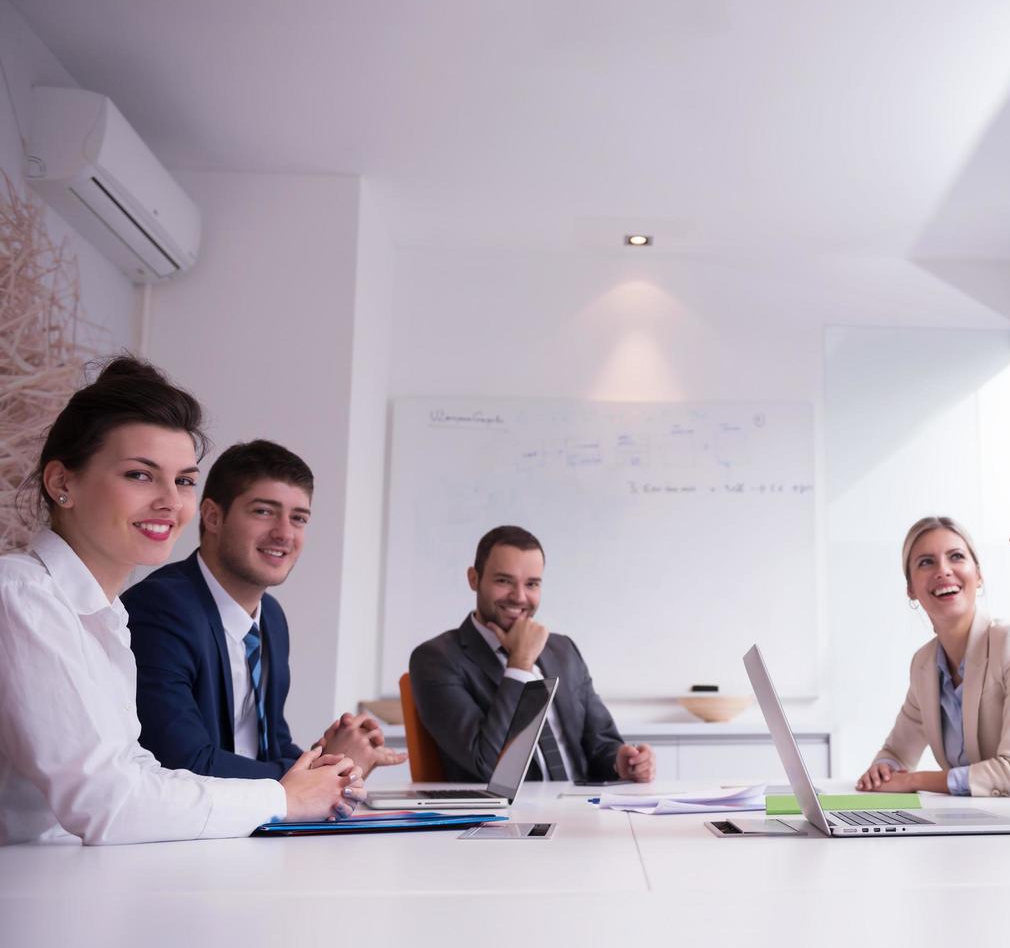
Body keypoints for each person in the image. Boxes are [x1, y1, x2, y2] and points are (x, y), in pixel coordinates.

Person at [0, 357, 361, 845]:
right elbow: (105, 801)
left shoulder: (107, 616)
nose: (171, 501)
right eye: (140, 475)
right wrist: (284, 797)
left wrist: (317, 779)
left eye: (185, 480)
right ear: (63, 483)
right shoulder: (23, 597)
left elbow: (140, 771)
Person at [124, 440, 406, 781]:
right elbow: (185, 764)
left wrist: (332, 762)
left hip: (245, 826)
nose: (284, 533)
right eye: (264, 511)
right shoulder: (161, 609)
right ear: (213, 516)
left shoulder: (270, 617)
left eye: (298, 518)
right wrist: (324, 768)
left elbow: (270, 747)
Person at [856, 516, 1010, 810]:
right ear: (910, 589)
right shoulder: (924, 664)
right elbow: (896, 751)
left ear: (978, 575)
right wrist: (884, 767)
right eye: (926, 562)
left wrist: (912, 780)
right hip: (985, 828)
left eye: (956, 556)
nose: (943, 570)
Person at [409, 525, 655, 783]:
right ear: (474, 579)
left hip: (582, 808)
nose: (519, 596)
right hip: (511, 817)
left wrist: (622, 762)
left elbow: (601, 742)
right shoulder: (437, 659)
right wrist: (520, 664)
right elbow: (487, 766)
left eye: (532, 584)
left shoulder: (563, 650)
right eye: (504, 581)